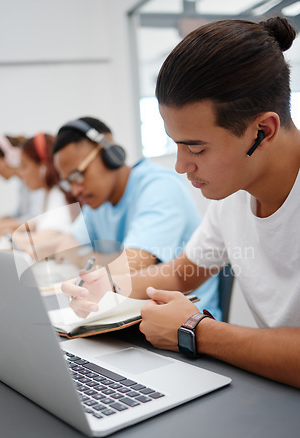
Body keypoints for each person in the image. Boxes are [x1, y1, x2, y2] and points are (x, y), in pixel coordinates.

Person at [62, 17, 300, 389]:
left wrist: (197, 330)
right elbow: (181, 271)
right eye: (176, 143)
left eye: (196, 148)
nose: (180, 165)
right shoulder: (234, 197)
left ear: (262, 131)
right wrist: (108, 285)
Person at [53, 116, 221, 319]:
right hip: (128, 317)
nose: (75, 190)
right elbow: (64, 250)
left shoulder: (159, 187)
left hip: (186, 323)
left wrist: (92, 260)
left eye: (77, 176)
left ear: (110, 153)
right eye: (68, 183)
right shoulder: (96, 202)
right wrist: (97, 261)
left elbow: (129, 269)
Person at [11, 132, 73, 256]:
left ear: (43, 167)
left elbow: (36, 243)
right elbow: (37, 223)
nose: (21, 174)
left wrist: (12, 236)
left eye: (24, 166)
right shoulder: (49, 194)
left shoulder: (59, 195)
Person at [0, 135, 45, 239]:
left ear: (12, 158)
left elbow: (35, 219)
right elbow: (19, 215)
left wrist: (2, 226)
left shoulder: (36, 182)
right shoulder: (23, 185)